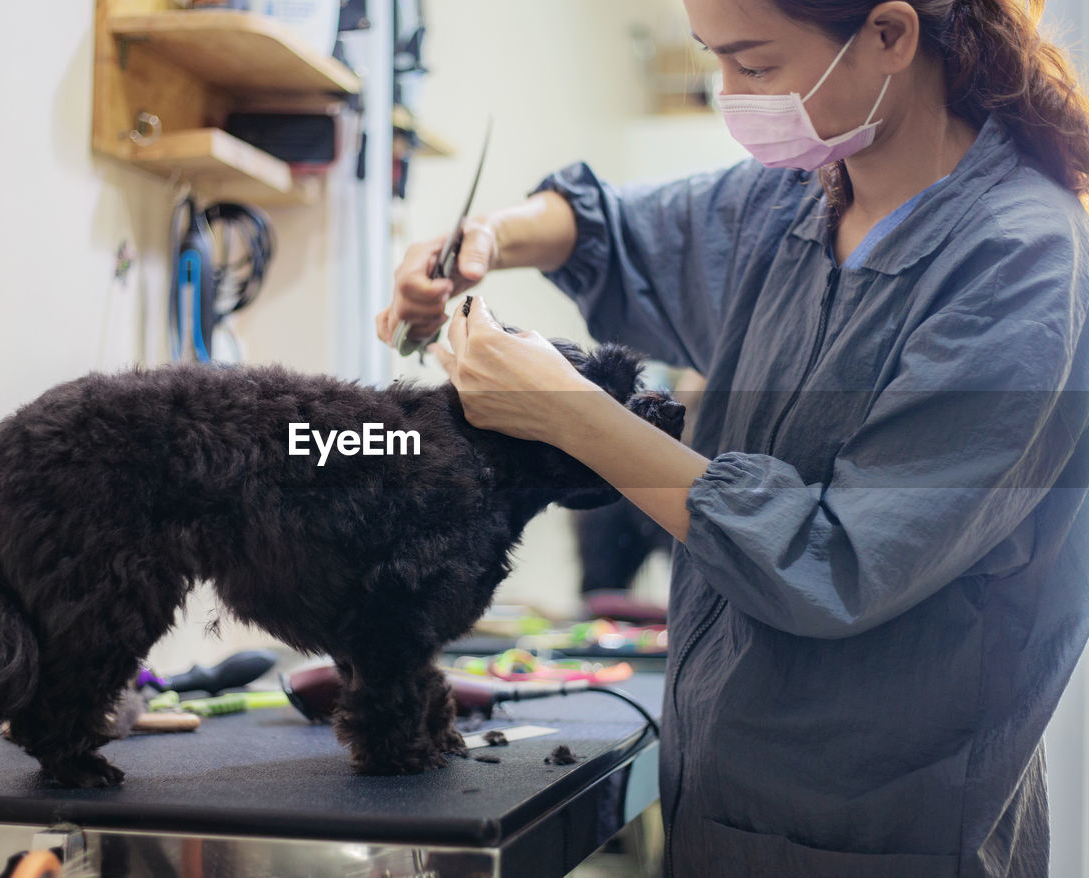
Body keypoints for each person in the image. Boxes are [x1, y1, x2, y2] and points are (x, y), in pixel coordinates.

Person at [377, 0, 1089, 874]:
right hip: (724, 811)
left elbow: (836, 560)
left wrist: (573, 416)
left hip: (893, 834)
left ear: (891, 36)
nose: (729, 95)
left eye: (754, 66)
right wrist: (485, 238)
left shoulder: (1017, 265)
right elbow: (622, 230)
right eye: (713, 58)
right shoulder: (795, 201)